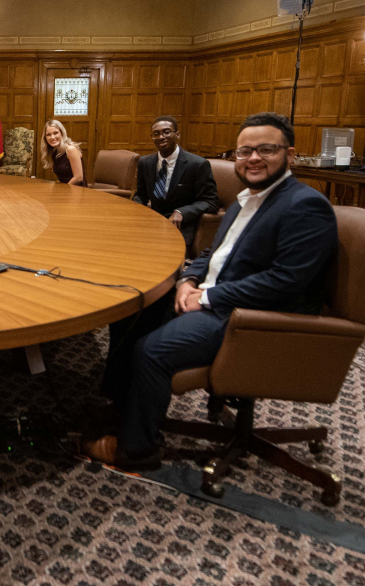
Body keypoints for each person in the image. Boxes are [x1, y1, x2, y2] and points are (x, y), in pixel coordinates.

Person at [84, 112, 337, 469]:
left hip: (251, 319)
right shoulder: (247, 200)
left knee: (151, 350)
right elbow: (211, 254)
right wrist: (188, 280)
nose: (253, 158)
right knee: (132, 311)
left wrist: (207, 296)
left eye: (266, 149)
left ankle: (137, 448)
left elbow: (286, 281)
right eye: (245, 150)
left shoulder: (305, 206)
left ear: (290, 155)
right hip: (216, 299)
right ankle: (121, 405)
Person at [132, 115, 219, 247]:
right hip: (152, 221)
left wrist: (181, 212)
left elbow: (211, 201)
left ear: (177, 134)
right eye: (156, 134)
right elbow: (141, 194)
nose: (161, 137)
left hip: (181, 226)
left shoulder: (197, 164)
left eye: (166, 132)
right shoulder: (145, 162)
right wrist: (132, 210)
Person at [39, 120, 84, 185]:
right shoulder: (55, 152)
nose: (52, 137)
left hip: (76, 191)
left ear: (62, 133)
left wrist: (63, 190)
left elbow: (78, 178)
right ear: (45, 138)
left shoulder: (71, 149)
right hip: (64, 190)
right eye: (48, 134)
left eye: (55, 133)